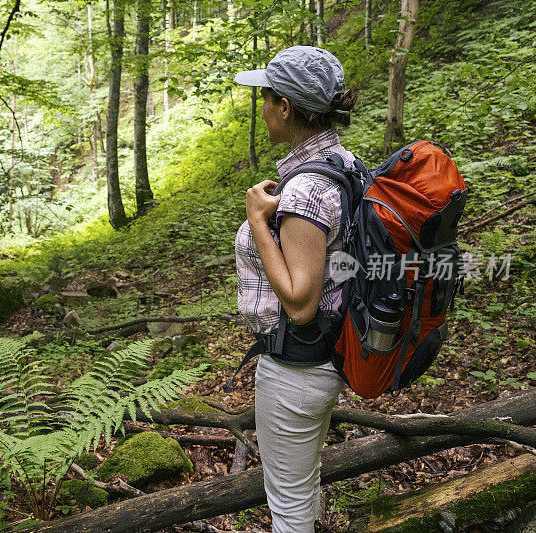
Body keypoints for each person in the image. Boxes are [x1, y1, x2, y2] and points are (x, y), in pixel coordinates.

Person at [233, 46, 357, 533]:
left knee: (288, 507)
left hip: (297, 369)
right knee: (302, 488)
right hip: (324, 358)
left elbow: (301, 301)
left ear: (285, 106)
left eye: (265, 96)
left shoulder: (308, 188)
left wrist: (257, 220)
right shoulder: (342, 162)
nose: (261, 107)